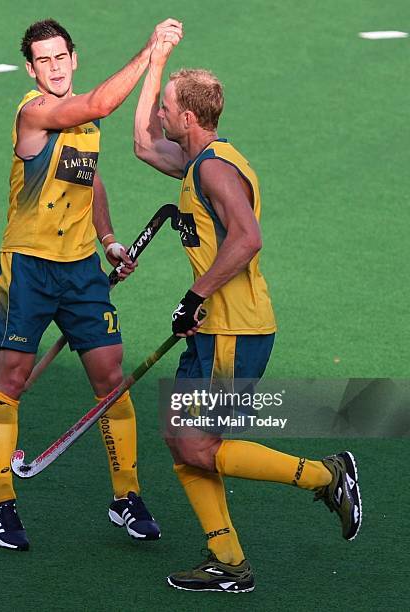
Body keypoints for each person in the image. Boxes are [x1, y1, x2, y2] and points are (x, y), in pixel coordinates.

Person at [133, 41, 362, 593]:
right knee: (179, 438)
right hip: (214, 328)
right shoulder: (196, 161)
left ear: (188, 117)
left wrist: (194, 296)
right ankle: (228, 560)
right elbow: (143, 144)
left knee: (196, 444)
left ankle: (328, 476)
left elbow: (248, 239)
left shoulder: (214, 172)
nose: (162, 114)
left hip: (233, 328)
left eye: (167, 107)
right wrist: (154, 60)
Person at [0, 17, 184, 551]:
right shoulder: (35, 112)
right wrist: (148, 53)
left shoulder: (84, 129)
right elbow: (97, 105)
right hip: (26, 268)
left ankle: (126, 497)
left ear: (73, 58)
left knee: (110, 376)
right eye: (42, 60)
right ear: (31, 68)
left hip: (80, 271)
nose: (52, 67)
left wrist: (110, 239)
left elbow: (87, 178)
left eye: (59, 57)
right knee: (12, 380)